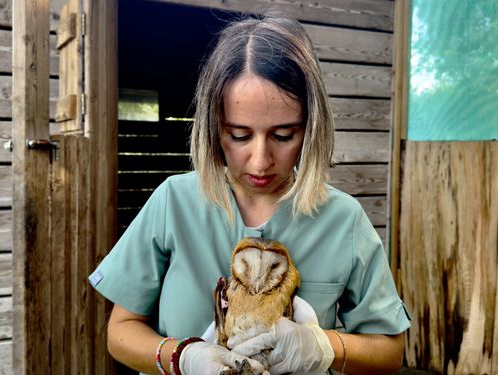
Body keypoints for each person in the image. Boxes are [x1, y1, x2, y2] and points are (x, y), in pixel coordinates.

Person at [89, 14, 411, 375]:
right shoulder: (173, 201)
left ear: (312, 126)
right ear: (213, 127)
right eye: (240, 135)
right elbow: (119, 333)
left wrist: (322, 347)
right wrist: (183, 357)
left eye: (284, 135)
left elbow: (390, 351)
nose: (260, 162)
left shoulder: (343, 217)